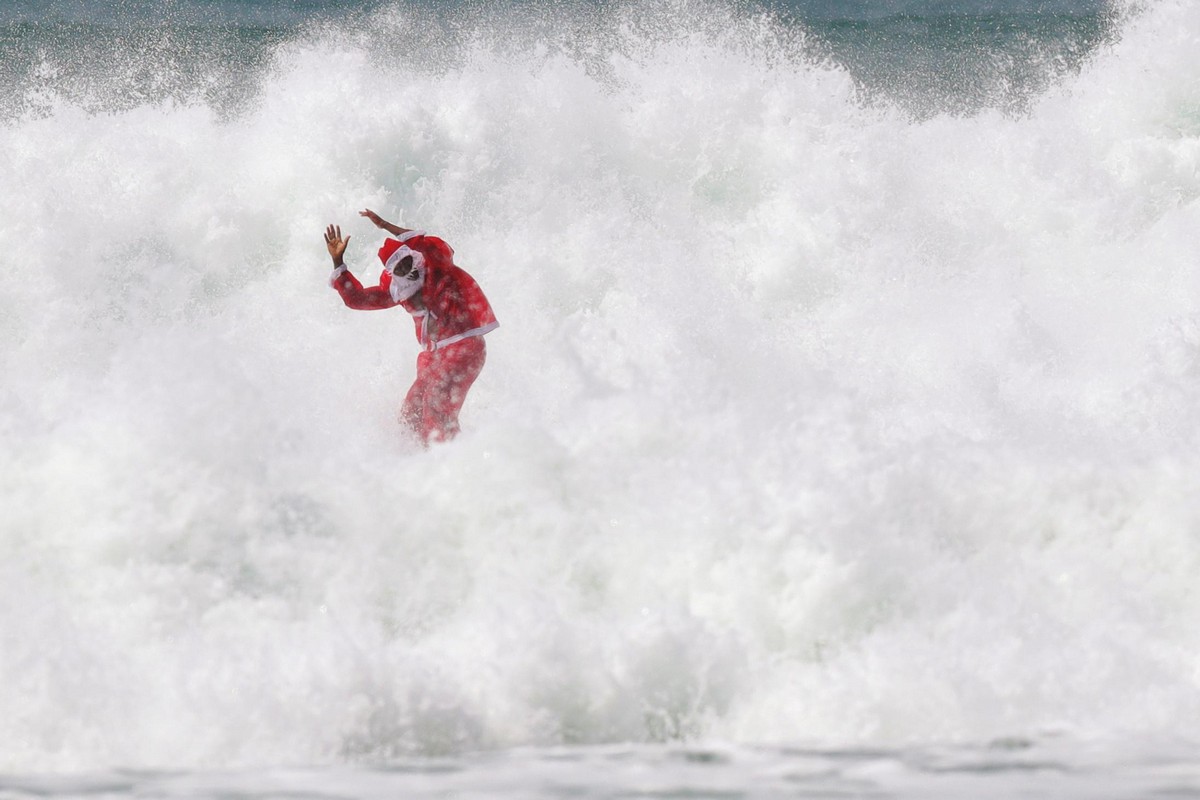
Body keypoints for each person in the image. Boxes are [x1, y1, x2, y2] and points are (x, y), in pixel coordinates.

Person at [324, 210, 498, 445]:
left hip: (464, 347)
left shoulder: (436, 265)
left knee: (436, 405)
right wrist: (338, 262)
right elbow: (358, 299)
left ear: (412, 257)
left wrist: (386, 225)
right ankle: (418, 464)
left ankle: (455, 462)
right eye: (400, 268)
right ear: (393, 273)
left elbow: (423, 243)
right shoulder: (399, 292)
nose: (408, 270)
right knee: (411, 412)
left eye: (408, 262)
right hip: (435, 356)